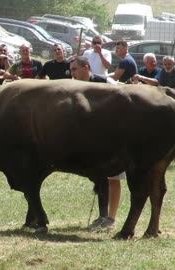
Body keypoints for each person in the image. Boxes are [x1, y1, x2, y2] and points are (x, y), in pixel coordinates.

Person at [69, 56, 122, 230]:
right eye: (71, 70)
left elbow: (123, 103)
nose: (72, 73)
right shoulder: (74, 87)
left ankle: (111, 218)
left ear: (86, 67)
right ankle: (102, 215)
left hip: (112, 137)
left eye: (75, 69)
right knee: (100, 178)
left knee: (114, 178)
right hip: (91, 140)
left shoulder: (105, 82)